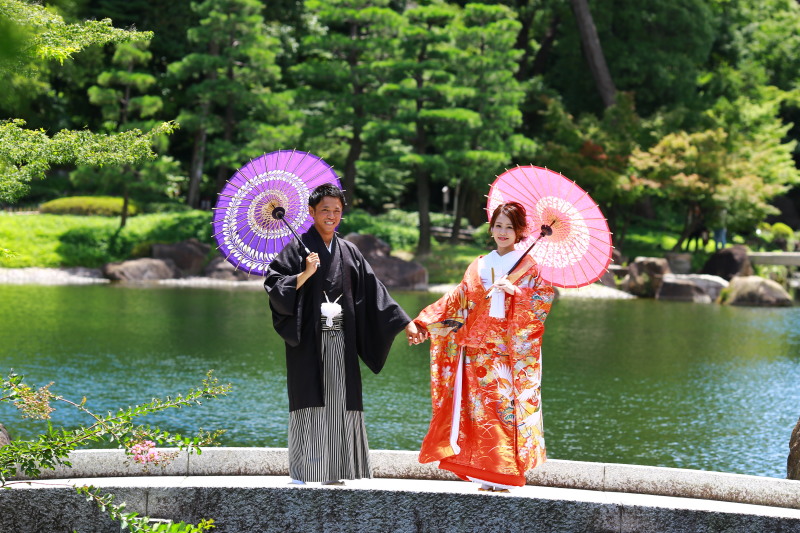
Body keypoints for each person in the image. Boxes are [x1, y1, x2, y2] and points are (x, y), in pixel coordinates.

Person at [264, 184, 421, 486]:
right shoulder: (296, 249)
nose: (332, 216)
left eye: (337, 211)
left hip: (341, 340)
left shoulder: (349, 251)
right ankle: (306, 471)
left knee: (340, 402)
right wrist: (305, 274)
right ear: (311, 213)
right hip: (310, 341)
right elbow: (274, 287)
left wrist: (405, 323)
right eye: (325, 210)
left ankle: (336, 470)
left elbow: (375, 291)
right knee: (311, 401)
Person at [407, 202, 556, 492]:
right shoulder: (480, 264)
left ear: (521, 231)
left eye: (510, 227)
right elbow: (457, 300)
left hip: (507, 353)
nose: (503, 232)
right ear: (491, 228)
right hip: (474, 350)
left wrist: (518, 293)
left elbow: (542, 303)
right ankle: (482, 473)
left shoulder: (528, 268)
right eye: (498, 226)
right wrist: (424, 322)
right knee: (477, 413)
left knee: (503, 411)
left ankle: (504, 473)